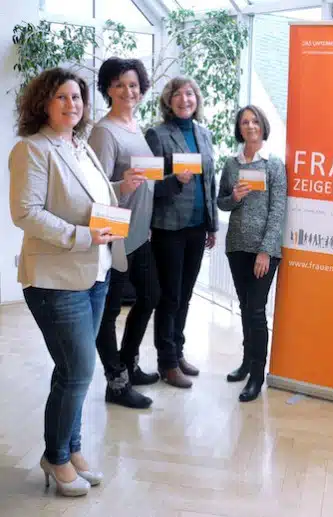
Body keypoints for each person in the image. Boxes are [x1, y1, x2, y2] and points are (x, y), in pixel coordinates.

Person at [9, 68, 143, 496]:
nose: (72, 104)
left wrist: (121, 186)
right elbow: (26, 213)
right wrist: (80, 236)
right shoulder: (32, 149)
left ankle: (72, 448)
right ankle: (56, 456)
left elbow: (91, 199)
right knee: (80, 370)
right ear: (43, 103)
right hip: (55, 279)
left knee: (72, 372)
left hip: (96, 273)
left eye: (77, 97)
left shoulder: (79, 145)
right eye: (62, 97)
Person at [88, 57, 160, 409]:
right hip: (115, 234)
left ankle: (128, 361)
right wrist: (122, 183)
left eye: (133, 85)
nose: (127, 91)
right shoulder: (103, 131)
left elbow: (144, 179)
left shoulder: (135, 126)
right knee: (110, 308)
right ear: (107, 90)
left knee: (150, 296)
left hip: (139, 232)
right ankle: (115, 381)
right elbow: (94, 189)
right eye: (119, 85)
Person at [145, 77, 218, 388]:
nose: (185, 99)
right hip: (169, 229)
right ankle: (167, 362)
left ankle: (178, 351)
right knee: (170, 297)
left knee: (185, 296)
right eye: (178, 95)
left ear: (197, 99)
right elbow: (148, 187)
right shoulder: (157, 135)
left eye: (190, 94)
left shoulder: (204, 134)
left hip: (197, 227)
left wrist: (212, 224)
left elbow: (210, 183)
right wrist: (175, 180)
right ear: (168, 101)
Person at [217, 105, 287, 402]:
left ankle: (258, 375)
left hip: (262, 252)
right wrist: (234, 197)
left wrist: (265, 252)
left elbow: (278, 211)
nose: (250, 126)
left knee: (256, 312)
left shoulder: (273, 165)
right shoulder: (232, 164)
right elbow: (221, 202)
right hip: (236, 247)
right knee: (245, 308)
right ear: (239, 128)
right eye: (244, 122)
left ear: (262, 125)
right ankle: (246, 363)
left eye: (254, 121)